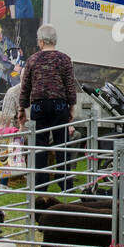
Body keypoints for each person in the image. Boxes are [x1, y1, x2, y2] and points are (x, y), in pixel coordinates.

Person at [18, 24, 77, 191]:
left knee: (39, 146)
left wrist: (22, 109)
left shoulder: (32, 60)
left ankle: (40, 185)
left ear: (42, 41)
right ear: (54, 40)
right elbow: (70, 86)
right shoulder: (65, 59)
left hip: (39, 106)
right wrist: (71, 108)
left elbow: (25, 87)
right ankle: (65, 183)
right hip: (59, 105)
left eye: (38, 40)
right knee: (62, 144)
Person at [0, 21, 21, 90]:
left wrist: (18, 49)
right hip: (4, 69)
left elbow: (12, 46)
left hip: (12, 63)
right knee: (15, 77)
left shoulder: (5, 39)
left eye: (0, 34)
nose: (0, 36)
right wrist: (13, 67)